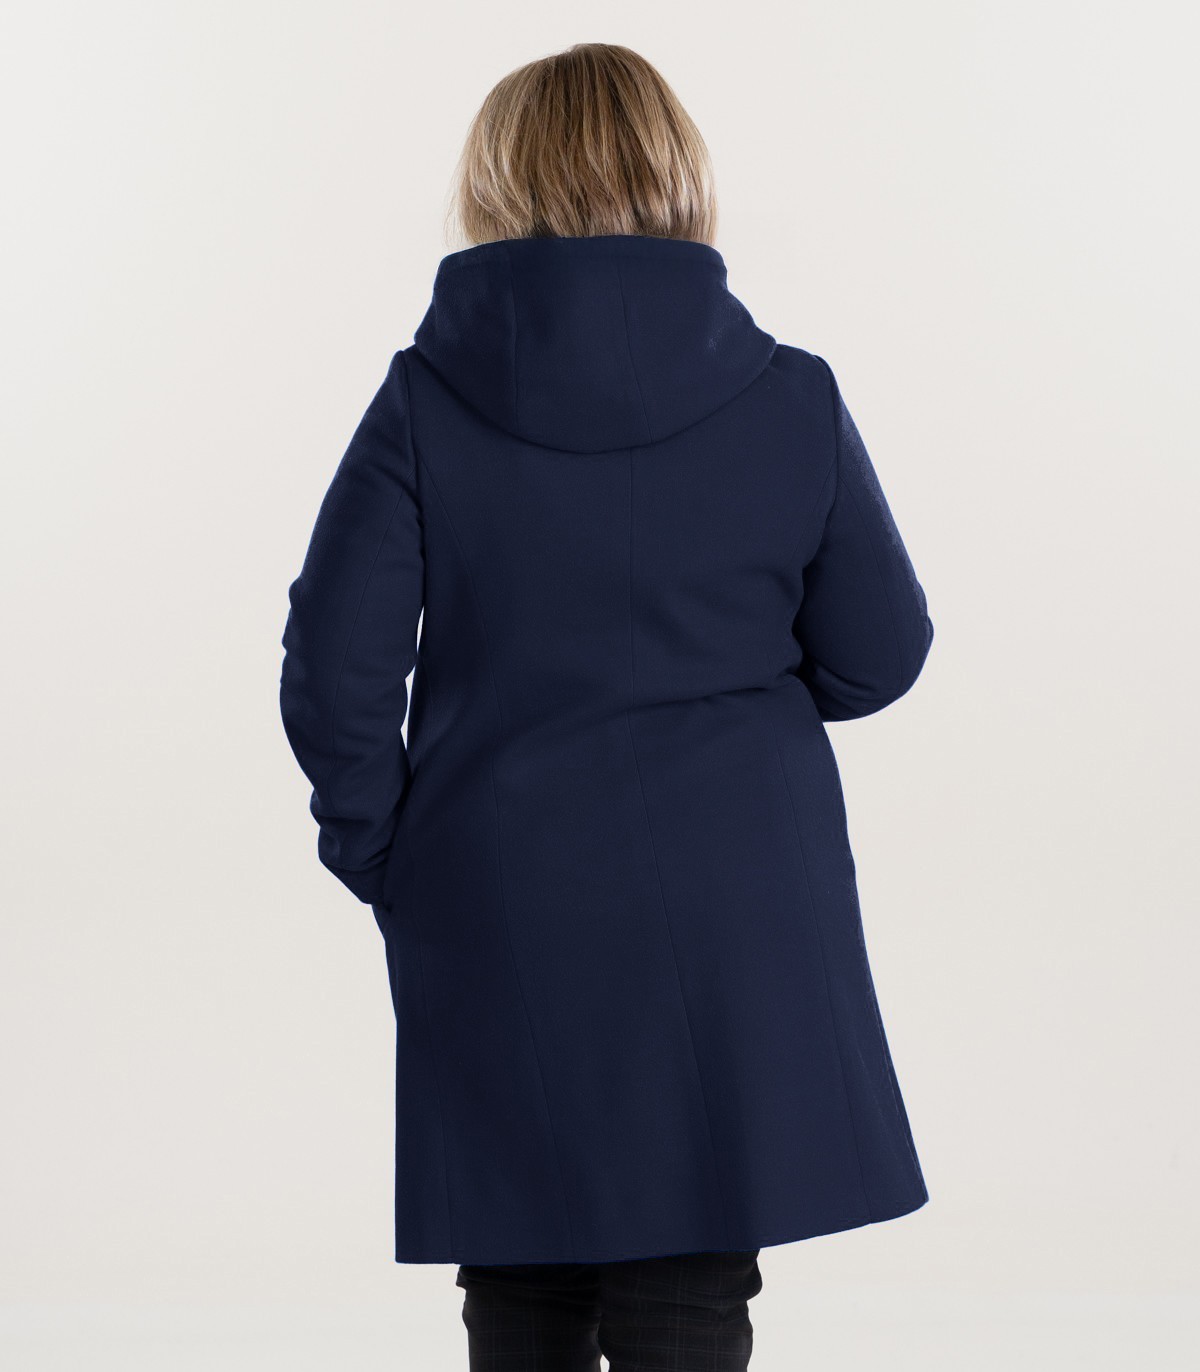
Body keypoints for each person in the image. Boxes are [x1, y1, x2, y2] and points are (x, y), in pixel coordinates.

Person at [279, 41, 935, 1372]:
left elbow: (334, 670)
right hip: (735, 889)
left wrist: (384, 853)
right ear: (681, 175)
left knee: (523, 1257)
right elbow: (880, 654)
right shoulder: (789, 395)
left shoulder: (424, 399)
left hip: (499, 880)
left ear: (494, 184)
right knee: (692, 1267)